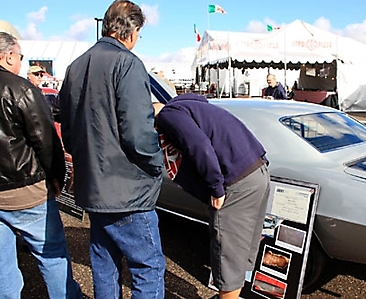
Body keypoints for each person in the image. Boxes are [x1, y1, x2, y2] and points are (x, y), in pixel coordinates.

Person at [59, 1, 166, 298]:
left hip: (93, 186)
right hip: (127, 192)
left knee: (104, 264)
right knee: (148, 267)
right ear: (131, 31)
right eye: (139, 34)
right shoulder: (127, 63)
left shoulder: (75, 65)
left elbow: (66, 125)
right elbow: (138, 131)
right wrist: (158, 162)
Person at [153, 93, 270, 299]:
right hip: (258, 171)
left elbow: (198, 146)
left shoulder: (167, 115)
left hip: (236, 182)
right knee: (241, 252)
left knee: (228, 257)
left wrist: (215, 187)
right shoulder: (192, 107)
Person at [0, 31, 83, 298]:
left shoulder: (19, 88)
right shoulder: (20, 89)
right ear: (8, 55)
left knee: (2, 266)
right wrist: (58, 177)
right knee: (52, 254)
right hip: (25, 190)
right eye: (20, 57)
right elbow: (45, 140)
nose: (21, 63)